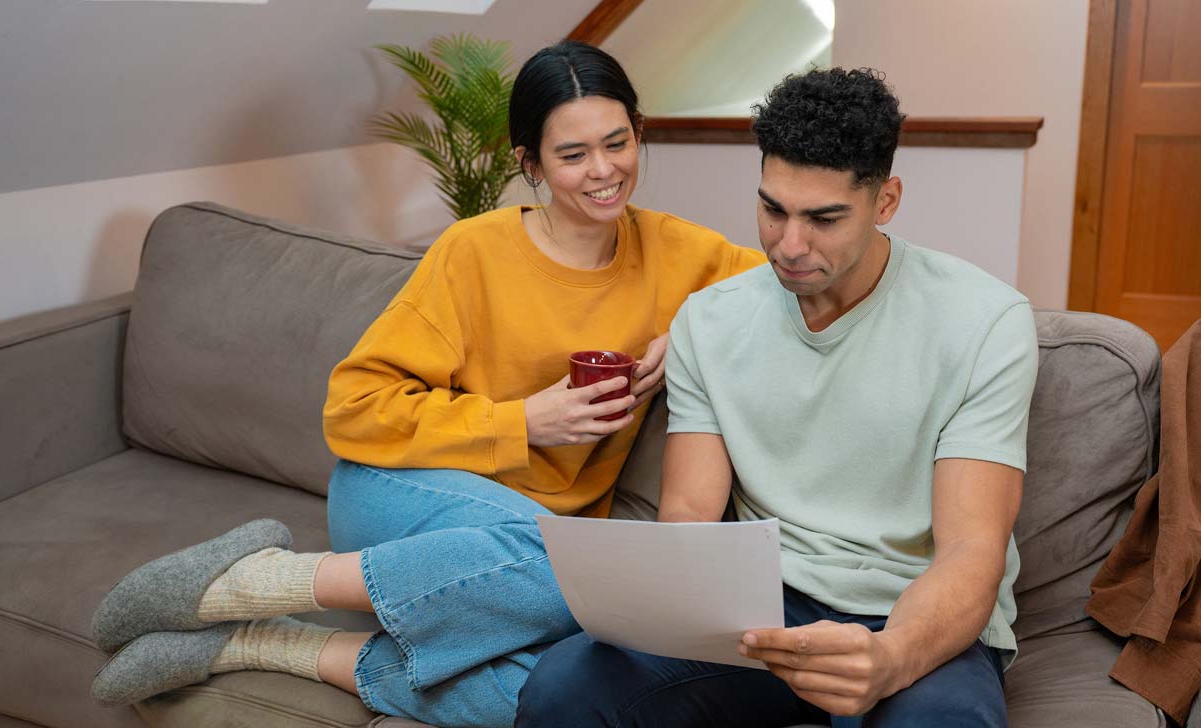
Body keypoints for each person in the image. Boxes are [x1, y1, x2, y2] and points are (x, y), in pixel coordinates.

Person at [87, 40, 765, 728]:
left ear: (639, 135)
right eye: (572, 154)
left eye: (617, 143)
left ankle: (269, 643)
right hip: (403, 489)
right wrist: (522, 423)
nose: (604, 171)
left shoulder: (681, 251)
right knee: (595, 575)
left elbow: (783, 281)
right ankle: (250, 582)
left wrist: (686, 327)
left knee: (587, 685)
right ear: (528, 162)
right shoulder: (473, 253)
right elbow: (353, 411)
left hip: (530, 551)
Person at [515, 67, 1039, 728]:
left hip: (909, 608)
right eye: (773, 209)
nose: (789, 246)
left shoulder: (985, 322)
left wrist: (888, 657)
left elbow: (972, 551)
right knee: (565, 685)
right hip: (756, 612)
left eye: (823, 218)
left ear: (886, 202)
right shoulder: (709, 322)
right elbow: (688, 515)